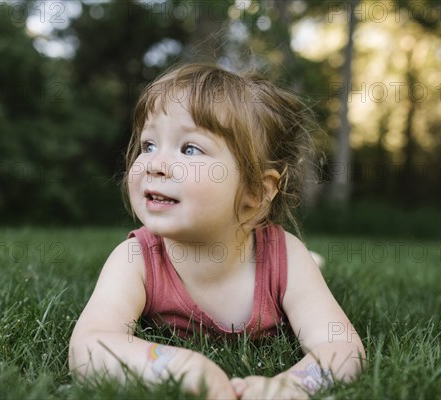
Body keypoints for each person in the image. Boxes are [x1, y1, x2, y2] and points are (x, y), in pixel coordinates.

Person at [69, 63, 365, 399]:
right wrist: (174, 367)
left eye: (189, 149)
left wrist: (293, 386)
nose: (154, 163)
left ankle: (316, 263)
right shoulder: (135, 258)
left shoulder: (285, 258)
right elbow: (89, 345)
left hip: (289, 264)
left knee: (308, 268)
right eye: (149, 145)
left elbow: (341, 345)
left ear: (257, 190)